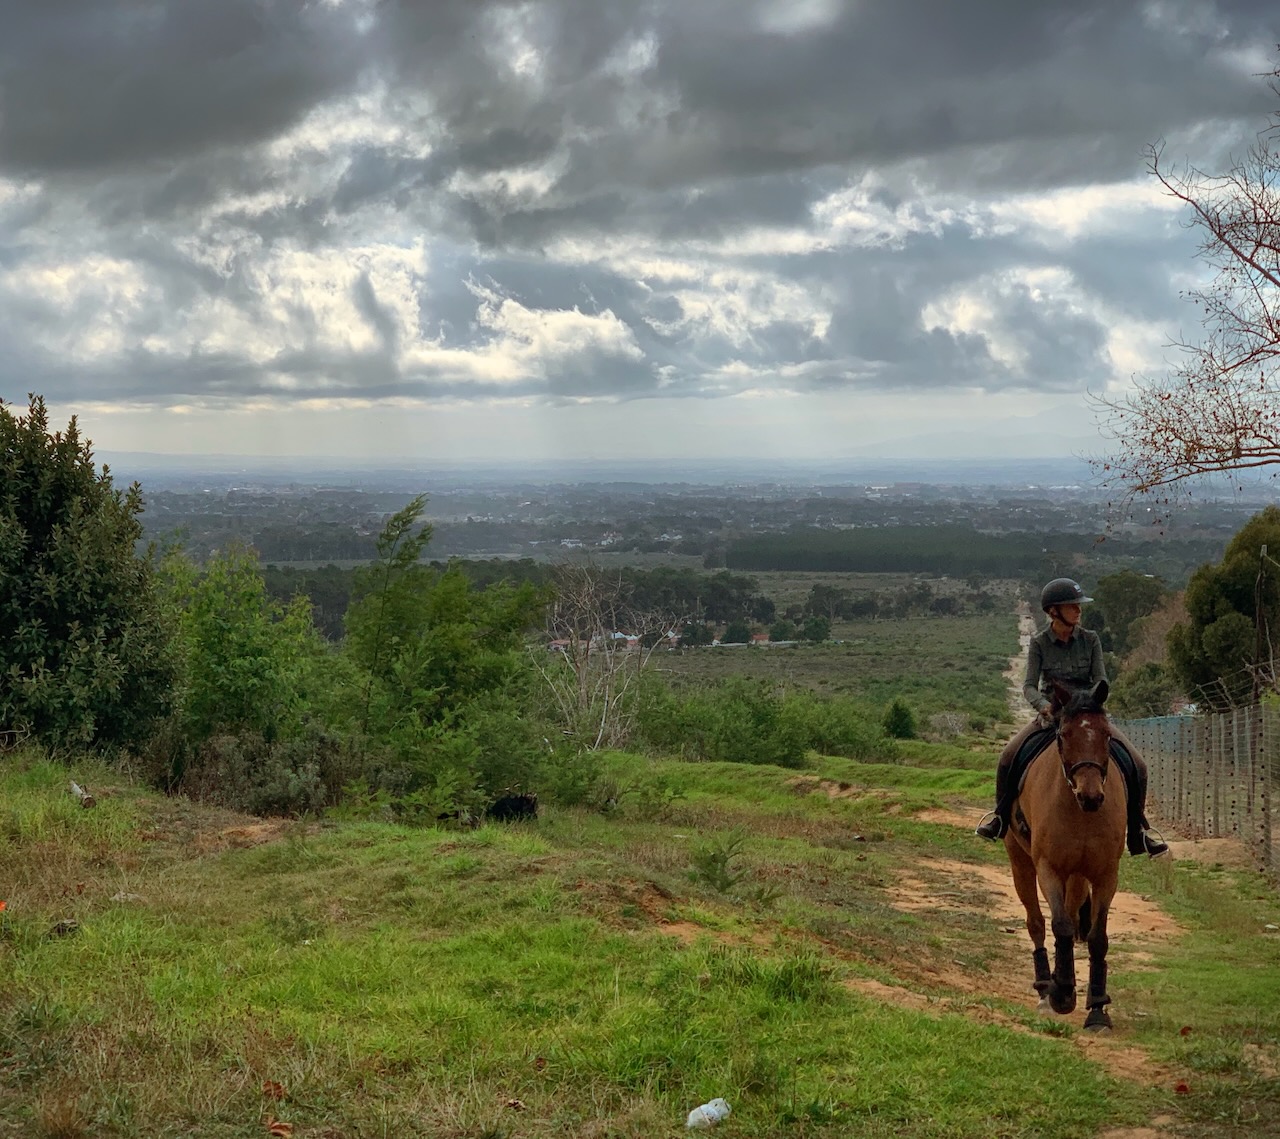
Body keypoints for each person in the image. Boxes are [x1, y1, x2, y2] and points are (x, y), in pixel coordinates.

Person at [975, 578, 1169, 857]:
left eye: (1079, 606)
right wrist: (1043, 705)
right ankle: (1000, 818)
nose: (1078, 611)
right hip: (1052, 716)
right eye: (1072, 606)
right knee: (1007, 756)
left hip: (1087, 715)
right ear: (1054, 611)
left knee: (1137, 764)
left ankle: (1138, 832)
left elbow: (1100, 678)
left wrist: (1088, 703)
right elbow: (1029, 684)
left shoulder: (1091, 640)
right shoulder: (1040, 643)